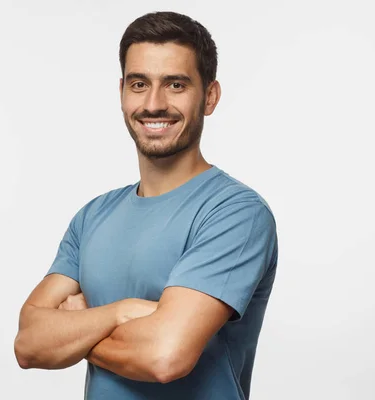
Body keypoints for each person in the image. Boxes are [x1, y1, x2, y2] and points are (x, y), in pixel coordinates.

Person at [14, 11, 278, 400]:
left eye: (175, 84)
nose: (154, 104)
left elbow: (164, 356)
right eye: (139, 84)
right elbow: (28, 343)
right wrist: (120, 313)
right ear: (122, 91)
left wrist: (77, 328)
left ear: (209, 96)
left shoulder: (234, 213)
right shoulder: (92, 217)